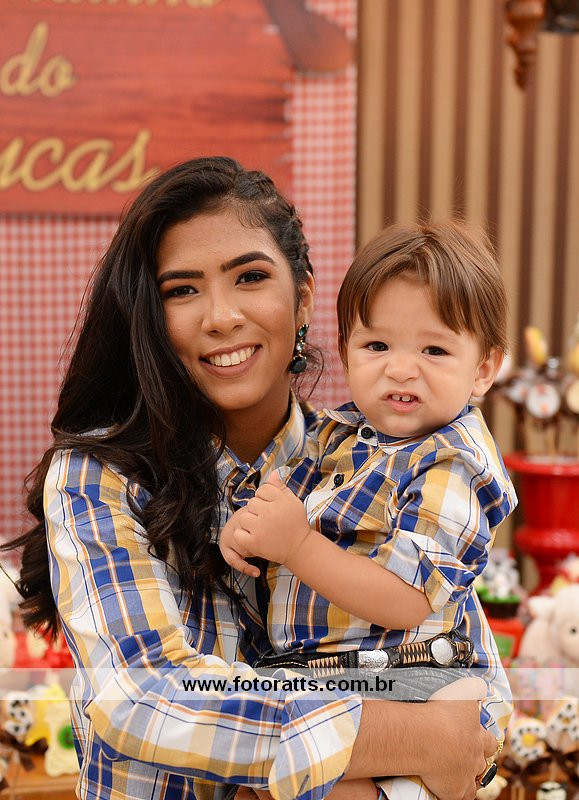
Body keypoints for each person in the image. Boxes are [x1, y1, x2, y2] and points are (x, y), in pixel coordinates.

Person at [7, 159, 498, 800]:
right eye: (181, 290)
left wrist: (429, 750)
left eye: (250, 277)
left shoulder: (376, 464)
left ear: (304, 298)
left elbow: (473, 705)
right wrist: (413, 738)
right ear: (151, 318)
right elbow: (142, 699)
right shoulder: (102, 476)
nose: (221, 316)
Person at [219, 220, 516, 800]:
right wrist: (248, 525)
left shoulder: (452, 463)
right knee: (261, 775)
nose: (400, 368)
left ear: (483, 368)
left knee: (293, 774)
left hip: (409, 677)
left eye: (434, 349)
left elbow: (406, 600)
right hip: (320, 671)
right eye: (376, 346)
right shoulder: (339, 436)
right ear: (346, 350)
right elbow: (278, 500)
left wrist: (297, 545)